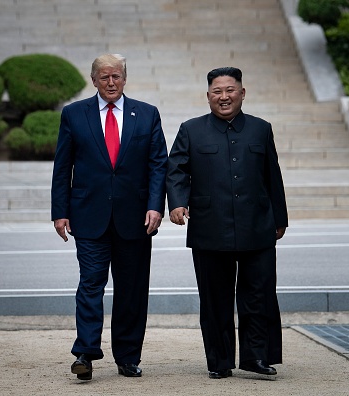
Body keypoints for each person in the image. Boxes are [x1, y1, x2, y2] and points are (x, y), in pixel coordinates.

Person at [51, 53, 168, 380]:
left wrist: (156, 205)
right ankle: (85, 353)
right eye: (104, 77)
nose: (111, 82)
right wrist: (59, 212)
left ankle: (128, 357)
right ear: (94, 80)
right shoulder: (74, 114)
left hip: (136, 218)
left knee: (132, 290)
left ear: (125, 78)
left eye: (116, 76)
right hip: (88, 216)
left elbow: (159, 163)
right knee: (90, 284)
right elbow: (63, 167)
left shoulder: (146, 114)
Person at [166, 67, 288, 379]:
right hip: (210, 227)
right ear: (208, 97)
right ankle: (219, 362)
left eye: (230, 90)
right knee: (214, 299)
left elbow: (272, 175)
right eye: (217, 91)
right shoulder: (191, 130)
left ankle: (256, 357)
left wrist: (279, 217)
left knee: (258, 295)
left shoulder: (261, 129)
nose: (224, 97)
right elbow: (177, 169)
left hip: (257, 225)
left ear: (242, 93)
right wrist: (178, 202)